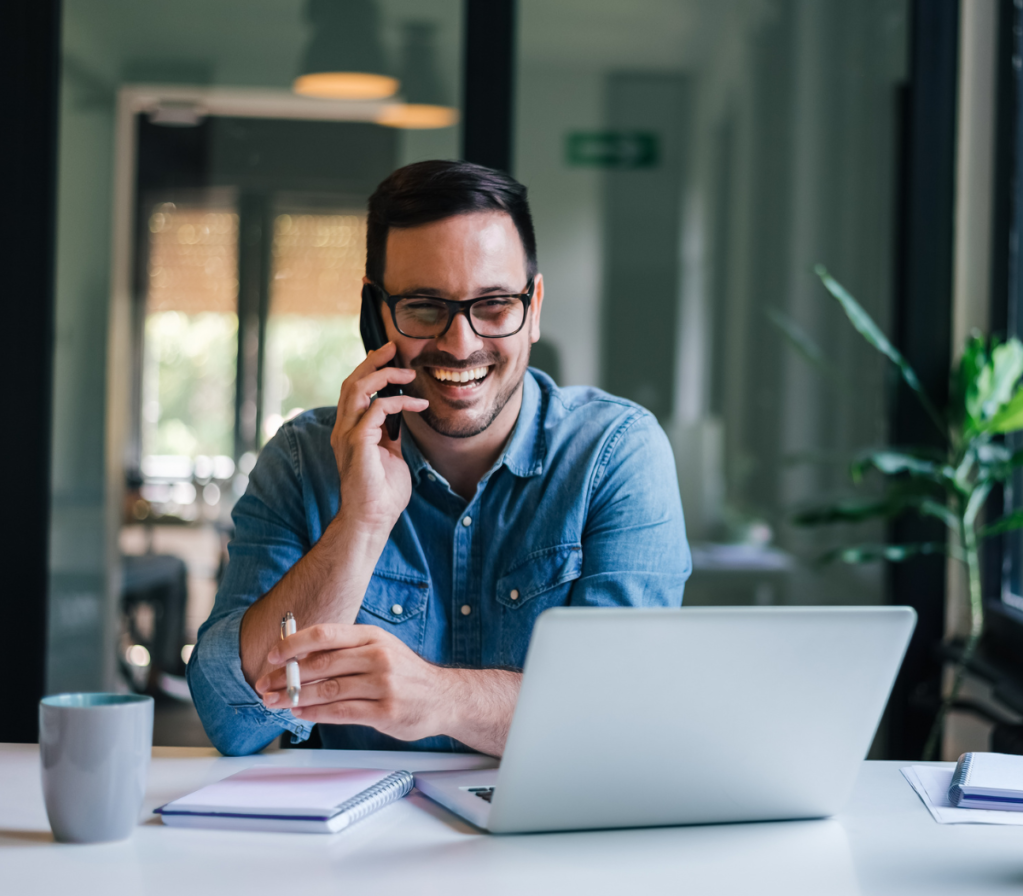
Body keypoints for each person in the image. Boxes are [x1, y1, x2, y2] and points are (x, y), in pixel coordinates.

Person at [187, 160, 691, 757]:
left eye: (495, 305)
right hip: (353, 845)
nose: (461, 343)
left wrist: (438, 698)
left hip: (547, 842)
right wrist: (361, 524)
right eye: (425, 307)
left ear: (534, 307)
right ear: (377, 314)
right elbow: (231, 720)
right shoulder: (302, 460)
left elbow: (624, 715)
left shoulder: (616, 454)